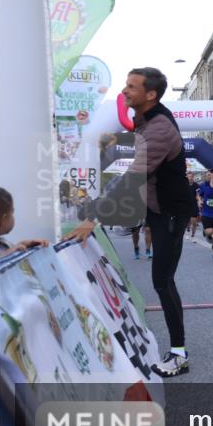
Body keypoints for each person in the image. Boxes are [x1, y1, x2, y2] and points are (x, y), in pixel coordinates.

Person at [64, 67, 195, 378]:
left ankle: (179, 353)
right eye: (125, 84)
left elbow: (133, 176)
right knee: (163, 280)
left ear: (150, 94)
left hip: (172, 211)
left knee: (163, 281)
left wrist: (92, 217)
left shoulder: (159, 128)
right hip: (158, 208)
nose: (124, 91)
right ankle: (178, 348)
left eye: (131, 86)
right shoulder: (144, 120)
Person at [0, 187, 48, 258]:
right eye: (12, 213)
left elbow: (6, 251)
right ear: (3, 219)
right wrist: (7, 254)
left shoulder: (0, 242)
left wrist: (22, 245)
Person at [186, 171, 200, 238]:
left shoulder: (196, 185)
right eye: (189, 177)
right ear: (187, 177)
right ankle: (188, 231)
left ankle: (193, 236)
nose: (190, 178)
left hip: (194, 205)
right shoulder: (184, 185)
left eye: (191, 176)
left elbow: (198, 195)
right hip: (186, 205)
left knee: (194, 222)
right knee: (188, 221)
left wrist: (199, 201)